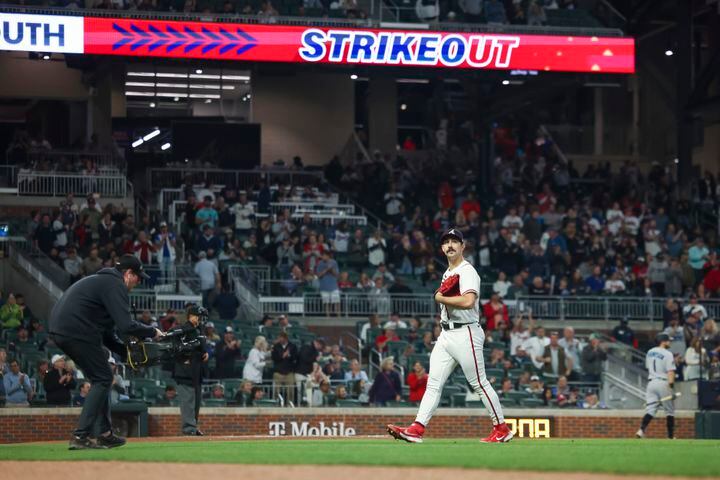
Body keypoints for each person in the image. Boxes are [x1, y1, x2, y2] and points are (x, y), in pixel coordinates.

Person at [387, 228, 513, 444]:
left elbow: (468, 301)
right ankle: (417, 429)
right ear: (442, 248)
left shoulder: (467, 271)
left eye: (455, 241)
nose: (450, 245)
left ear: (463, 246)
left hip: (466, 332)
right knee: (433, 383)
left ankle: (501, 428)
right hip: (447, 334)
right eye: (447, 242)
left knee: (479, 383)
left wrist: (440, 297)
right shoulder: (447, 273)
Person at [48, 254, 162, 449]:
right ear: (127, 273)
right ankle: (80, 435)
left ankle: (104, 433)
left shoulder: (103, 283)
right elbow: (126, 325)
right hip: (77, 331)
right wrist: (152, 331)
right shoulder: (114, 284)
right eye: (138, 277)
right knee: (103, 378)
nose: (138, 281)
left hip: (66, 330)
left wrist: (126, 353)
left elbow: (108, 335)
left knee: (101, 377)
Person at [171, 305, 209, 436]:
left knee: (196, 403)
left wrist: (205, 353)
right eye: (197, 316)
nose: (199, 319)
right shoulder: (181, 330)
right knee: (188, 402)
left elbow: (202, 349)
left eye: (201, 317)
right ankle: (189, 428)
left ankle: (193, 426)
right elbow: (173, 348)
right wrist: (184, 355)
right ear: (190, 316)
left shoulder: (199, 331)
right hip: (184, 371)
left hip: (196, 371)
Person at [636, 333, 677, 439]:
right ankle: (671, 437)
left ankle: (641, 430)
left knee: (650, 410)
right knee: (669, 411)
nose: (669, 342)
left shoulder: (650, 352)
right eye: (668, 340)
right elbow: (670, 371)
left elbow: (647, 366)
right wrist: (671, 385)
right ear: (663, 341)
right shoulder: (668, 354)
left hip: (651, 382)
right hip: (663, 382)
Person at [271, 331, 298, 406]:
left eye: (281, 338)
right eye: (279, 338)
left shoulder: (292, 346)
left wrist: (289, 355)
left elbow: (295, 358)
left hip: (289, 372)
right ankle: (275, 404)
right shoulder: (276, 347)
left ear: (285, 338)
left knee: (290, 390)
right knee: (276, 390)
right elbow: (274, 358)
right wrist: (282, 356)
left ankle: (290, 404)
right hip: (278, 372)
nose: (279, 339)